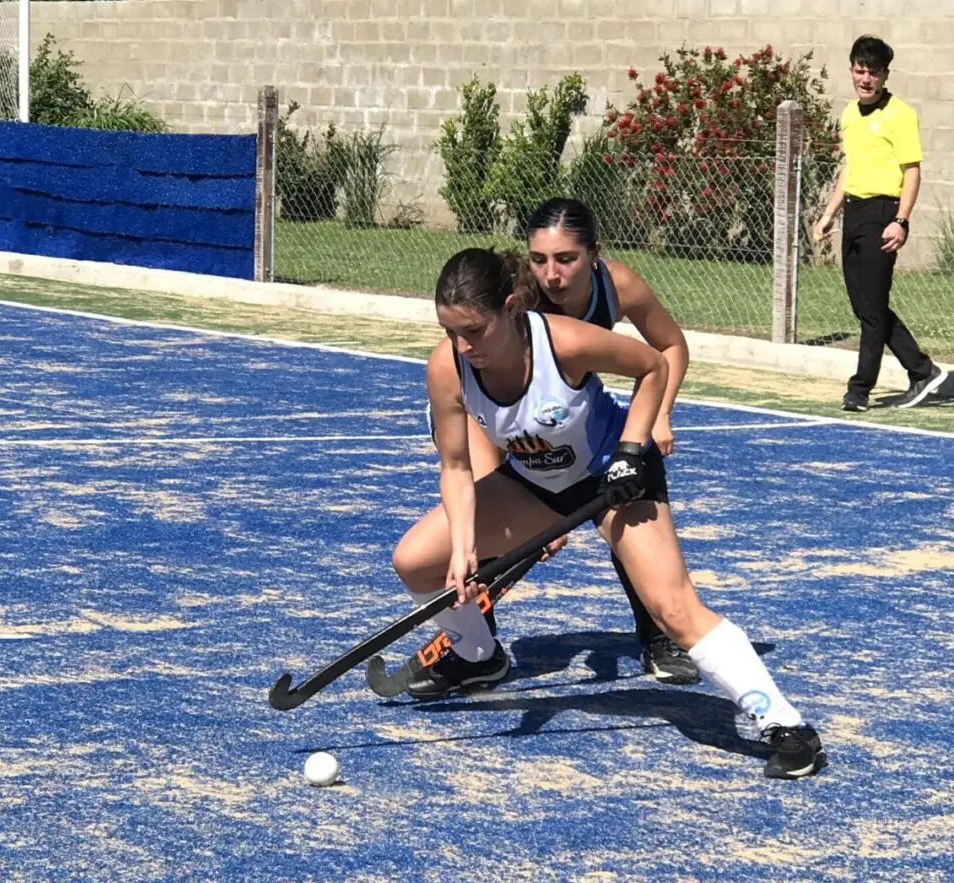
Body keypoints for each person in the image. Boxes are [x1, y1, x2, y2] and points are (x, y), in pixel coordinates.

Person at [391, 247, 827, 780]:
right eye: (450, 330)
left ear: (508, 309)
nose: (462, 345)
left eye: (474, 330)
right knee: (416, 561)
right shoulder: (448, 367)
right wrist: (465, 551)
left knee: (672, 609)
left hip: (611, 476)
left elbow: (654, 366)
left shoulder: (565, 342)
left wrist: (630, 451)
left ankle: (788, 728)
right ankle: (479, 656)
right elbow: (457, 467)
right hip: (534, 485)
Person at [429, 198, 698, 685]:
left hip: (573, 414)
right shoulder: (518, 307)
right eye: (538, 260)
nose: (550, 274)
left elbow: (669, 347)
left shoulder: (618, 287)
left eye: (566, 259)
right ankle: (477, 648)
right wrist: (526, 496)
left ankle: (657, 634)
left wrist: (659, 415)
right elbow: (487, 413)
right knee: (482, 520)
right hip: (493, 421)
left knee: (622, 490)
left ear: (594, 254)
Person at [814, 35, 948, 412]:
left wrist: (901, 221)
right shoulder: (849, 115)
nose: (866, 78)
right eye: (860, 70)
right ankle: (923, 371)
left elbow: (912, 172)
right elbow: (849, 169)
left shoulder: (901, 114)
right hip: (854, 213)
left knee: (873, 310)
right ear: (852, 71)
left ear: (885, 74)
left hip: (883, 214)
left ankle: (859, 390)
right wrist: (829, 214)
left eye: (874, 72)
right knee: (864, 306)